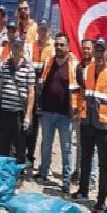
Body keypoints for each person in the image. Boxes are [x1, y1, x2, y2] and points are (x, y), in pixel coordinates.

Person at [72, 37, 107, 212]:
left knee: (103, 164)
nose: (99, 53)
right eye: (97, 50)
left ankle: (101, 201)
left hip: (104, 127)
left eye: (102, 50)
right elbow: (82, 94)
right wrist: (78, 112)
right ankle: (83, 191)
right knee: (85, 158)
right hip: (87, 123)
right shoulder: (87, 70)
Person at [34, 33, 80, 193]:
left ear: (68, 47)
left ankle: (66, 181)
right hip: (47, 112)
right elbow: (41, 85)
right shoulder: (48, 62)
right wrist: (39, 105)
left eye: (62, 45)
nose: (59, 47)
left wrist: (76, 111)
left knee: (66, 148)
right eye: (57, 45)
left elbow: (80, 90)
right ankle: (43, 172)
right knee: (46, 144)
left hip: (65, 115)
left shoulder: (74, 66)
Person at [0, 37, 35, 167]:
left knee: (20, 144)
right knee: (2, 144)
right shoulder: (5, 66)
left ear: (23, 50)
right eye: (15, 47)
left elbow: (31, 93)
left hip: (18, 113)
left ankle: (19, 172)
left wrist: (28, 116)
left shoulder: (29, 68)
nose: (17, 50)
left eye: (19, 48)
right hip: (5, 112)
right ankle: (2, 170)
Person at [25, 18, 55, 168]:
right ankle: (28, 156)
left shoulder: (54, 48)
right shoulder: (30, 46)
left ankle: (44, 164)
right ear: (37, 31)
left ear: (49, 31)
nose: (42, 32)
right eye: (40, 29)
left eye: (45, 29)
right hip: (31, 90)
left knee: (47, 131)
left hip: (46, 93)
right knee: (31, 125)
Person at [72, 39, 98, 185]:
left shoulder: (97, 67)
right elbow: (80, 89)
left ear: (93, 50)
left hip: (95, 112)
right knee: (81, 143)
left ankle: (92, 176)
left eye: (88, 48)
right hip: (82, 110)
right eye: (84, 48)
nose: (86, 51)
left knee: (92, 145)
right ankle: (80, 171)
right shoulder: (79, 67)